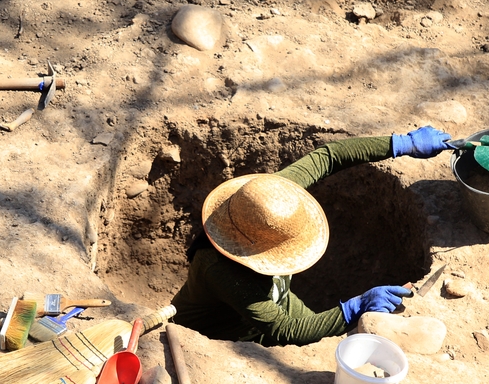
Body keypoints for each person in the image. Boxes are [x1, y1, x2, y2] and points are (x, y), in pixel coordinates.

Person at [170, 126, 454, 346]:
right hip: (222, 337)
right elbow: (284, 330)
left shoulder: (271, 198)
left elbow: (327, 157)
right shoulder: (222, 271)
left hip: (281, 302)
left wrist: (401, 143)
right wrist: (353, 309)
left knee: (326, 338)